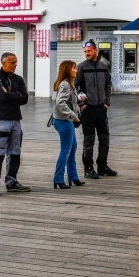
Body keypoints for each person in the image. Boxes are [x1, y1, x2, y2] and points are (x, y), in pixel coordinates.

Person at [0, 52, 30, 196]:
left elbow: (25, 98)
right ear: (3, 62)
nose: (15, 65)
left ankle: (11, 181)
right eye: (12, 62)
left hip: (16, 120)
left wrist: (11, 95)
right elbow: (1, 96)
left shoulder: (18, 79)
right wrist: (15, 95)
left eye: (16, 62)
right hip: (0, 120)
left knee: (15, 152)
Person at [75, 40, 117, 179]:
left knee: (104, 137)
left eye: (89, 51)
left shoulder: (104, 66)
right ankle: (88, 168)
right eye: (85, 52)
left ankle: (102, 166)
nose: (87, 54)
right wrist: (82, 104)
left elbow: (108, 85)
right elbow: (75, 87)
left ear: (95, 51)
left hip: (101, 109)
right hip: (88, 109)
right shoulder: (81, 67)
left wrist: (107, 102)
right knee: (89, 139)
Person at [52, 60, 85, 190]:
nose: (76, 70)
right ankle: (58, 178)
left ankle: (73, 177)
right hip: (64, 121)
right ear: (67, 70)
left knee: (72, 148)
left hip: (65, 121)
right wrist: (73, 116)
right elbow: (60, 103)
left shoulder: (68, 84)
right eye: (74, 68)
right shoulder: (65, 85)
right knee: (66, 150)